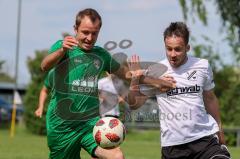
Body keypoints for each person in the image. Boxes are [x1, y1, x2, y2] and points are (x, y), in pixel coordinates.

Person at [40, 8, 175, 159]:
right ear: (75, 29)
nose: (90, 38)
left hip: (90, 125)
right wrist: (61, 50)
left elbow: (127, 75)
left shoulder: (101, 55)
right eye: (85, 32)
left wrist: (158, 82)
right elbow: (44, 66)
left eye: (94, 33)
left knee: (117, 156)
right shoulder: (63, 48)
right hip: (62, 127)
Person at [128, 22, 230, 159]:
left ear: (187, 47)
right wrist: (135, 79)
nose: (173, 54)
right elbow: (134, 104)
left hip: (204, 140)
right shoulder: (155, 71)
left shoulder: (203, 65)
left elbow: (210, 98)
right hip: (173, 147)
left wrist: (220, 129)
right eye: (169, 49)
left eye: (178, 49)